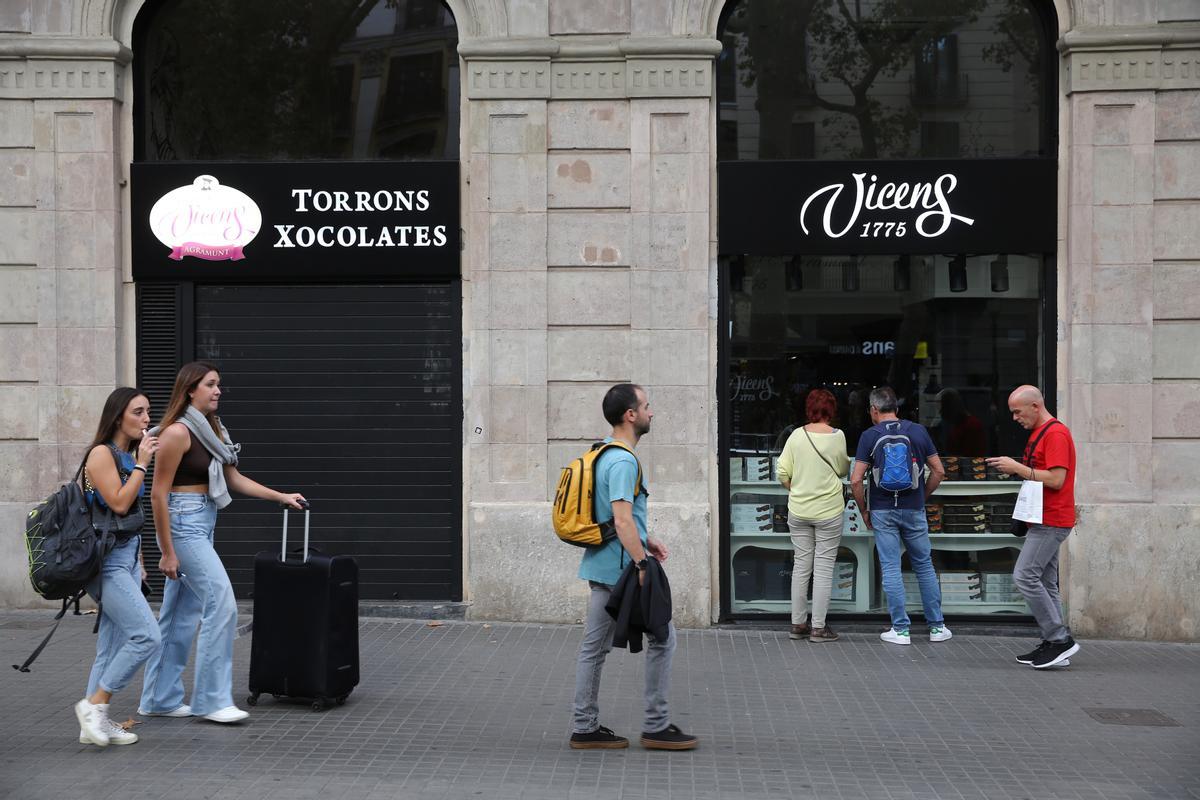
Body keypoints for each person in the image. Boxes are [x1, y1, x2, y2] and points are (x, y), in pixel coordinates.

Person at [138, 362, 305, 723]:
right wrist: (166, 552)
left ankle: (159, 698)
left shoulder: (212, 430)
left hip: (201, 519)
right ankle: (212, 700)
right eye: (211, 385)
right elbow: (157, 496)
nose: (218, 391)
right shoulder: (177, 433)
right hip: (182, 525)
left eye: (219, 385)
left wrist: (280, 496)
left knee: (181, 615)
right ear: (190, 390)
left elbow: (234, 479)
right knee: (222, 603)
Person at [570, 383, 697, 751]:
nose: (651, 412)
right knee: (663, 637)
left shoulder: (603, 454)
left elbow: (615, 517)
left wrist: (647, 537)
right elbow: (622, 521)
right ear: (631, 415)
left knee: (594, 649)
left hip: (603, 567)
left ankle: (584, 726)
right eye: (646, 406)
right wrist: (642, 562)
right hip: (624, 570)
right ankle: (655, 725)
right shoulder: (624, 459)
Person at [73, 388, 162, 747]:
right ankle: (95, 704)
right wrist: (143, 463)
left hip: (124, 560)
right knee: (146, 635)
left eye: (148, 412)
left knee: (109, 648)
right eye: (138, 412)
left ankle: (92, 725)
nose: (146, 420)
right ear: (118, 416)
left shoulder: (125, 455)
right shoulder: (101, 454)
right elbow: (121, 504)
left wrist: (138, 564)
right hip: (105, 565)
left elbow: (126, 521)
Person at [986, 385, 1080, 669]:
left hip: (1051, 519)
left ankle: (1059, 639)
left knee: (1025, 576)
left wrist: (1017, 468)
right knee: (1046, 582)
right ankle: (1055, 646)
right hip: (1044, 519)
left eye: (1017, 411)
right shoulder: (1044, 433)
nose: (1015, 418)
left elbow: (1056, 480)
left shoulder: (1055, 434)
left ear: (1036, 407)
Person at [850, 387, 951, 645]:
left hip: (883, 509)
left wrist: (864, 509)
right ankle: (937, 627)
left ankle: (901, 630)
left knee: (891, 566)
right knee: (924, 565)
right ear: (897, 408)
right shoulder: (918, 431)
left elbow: (855, 480)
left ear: (874, 410)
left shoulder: (869, 435)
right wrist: (922, 495)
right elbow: (938, 471)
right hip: (913, 508)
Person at [776, 388, 850, 642]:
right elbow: (841, 469)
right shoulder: (837, 436)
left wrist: (796, 489)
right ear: (832, 410)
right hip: (829, 510)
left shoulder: (796, 436)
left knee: (801, 566)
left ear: (809, 409)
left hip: (799, 510)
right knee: (824, 568)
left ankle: (798, 624)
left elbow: (782, 472)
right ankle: (818, 627)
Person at [936, 387, 986, 456]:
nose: (940, 412)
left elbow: (968, 457)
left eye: (943, 407)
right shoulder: (955, 425)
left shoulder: (972, 425)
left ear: (951, 406)